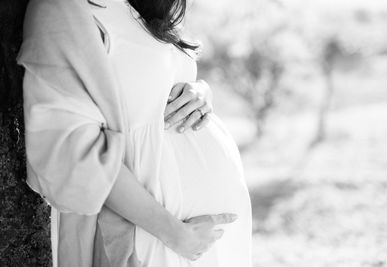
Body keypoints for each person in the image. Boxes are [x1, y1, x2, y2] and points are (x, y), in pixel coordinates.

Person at [18, 0, 252, 266]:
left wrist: (200, 93)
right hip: (152, 233)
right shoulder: (63, 8)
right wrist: (174, 233)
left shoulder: (147, 6)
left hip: (202, 238)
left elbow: (154, 83)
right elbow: (71, 152)